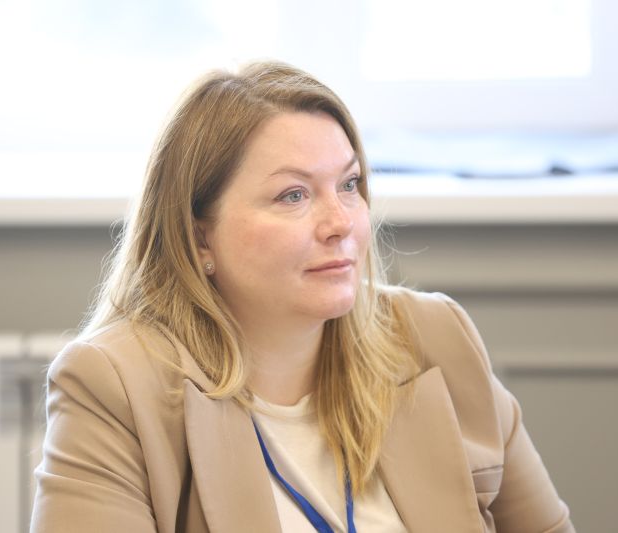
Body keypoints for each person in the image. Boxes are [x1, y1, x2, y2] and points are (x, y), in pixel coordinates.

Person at [30, 61, 574, 533]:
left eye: (349, 184)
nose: (340, 223)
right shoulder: (113, 386)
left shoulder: (437, 337)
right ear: (199, 239)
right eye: (293, 195)